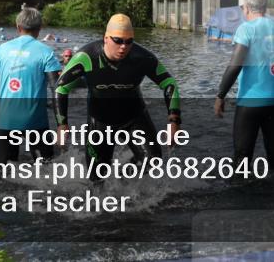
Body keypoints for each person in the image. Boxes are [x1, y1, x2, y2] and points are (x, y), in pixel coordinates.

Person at [55, 14, 181, 174]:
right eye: (118, 40)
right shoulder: (86, 57)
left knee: (152, 160)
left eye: (129, 41)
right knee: (97, 177)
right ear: (106, 38)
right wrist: (62, 125)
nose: (124, 46)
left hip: (133, 117)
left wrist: (174, 121)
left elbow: (169, 84)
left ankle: (123, 178)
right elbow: (61, 88)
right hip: (100, 121)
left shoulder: (142, 57)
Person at [214, 0, 274, 171]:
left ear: (247, 9)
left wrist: (220, 95)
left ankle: (241, 197)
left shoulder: (246, 29)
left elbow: (235, 66)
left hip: (250, 102)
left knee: (242, 159)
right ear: (264, 8)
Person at [0, 6, 61, 162]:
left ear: (18, 27)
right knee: (46, 168)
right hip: (36, 120)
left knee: (6, 170)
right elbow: (57, 88)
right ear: (40, 28)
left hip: (7, 119)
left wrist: (8, 92)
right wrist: (62, 123)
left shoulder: (2, 49)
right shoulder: (46, 52)